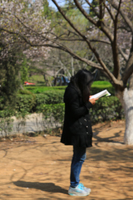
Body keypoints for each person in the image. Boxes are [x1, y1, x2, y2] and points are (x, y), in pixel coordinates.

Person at [60, 69, 98, 197]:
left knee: (80, 156)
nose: (89, 86)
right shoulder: (71, 92)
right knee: (78, 157)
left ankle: (75, 183)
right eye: (88, 83)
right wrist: (89, 105)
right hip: (77, 130)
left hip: (80, 127)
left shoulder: (75, 88)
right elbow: (75, 112)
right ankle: (74, 186)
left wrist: (88, 100)